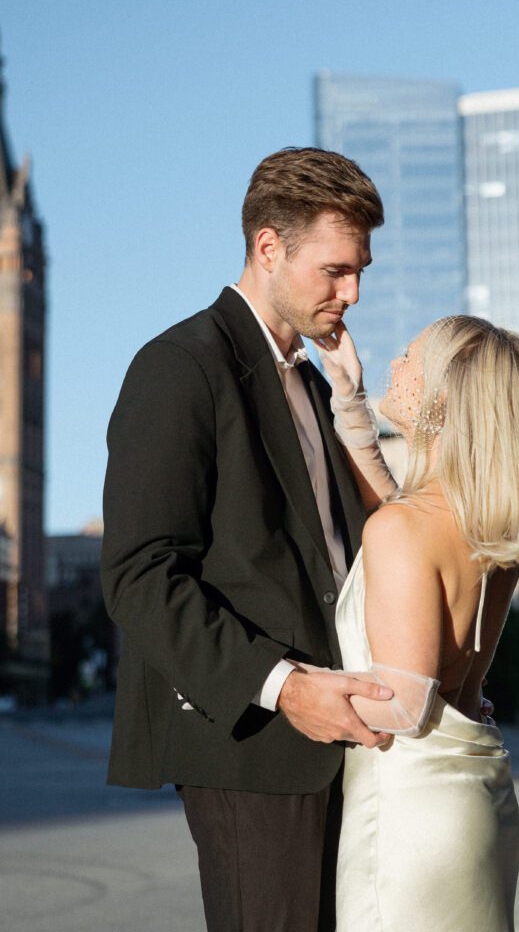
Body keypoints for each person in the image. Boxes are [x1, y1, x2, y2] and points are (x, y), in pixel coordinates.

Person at [100, 147, 399, 932]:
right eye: (335, 270)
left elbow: (348, 556)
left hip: (347, 742)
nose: (353, 293)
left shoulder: (312, 380)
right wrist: (286, 686)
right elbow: (138, 573)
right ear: (269, 248)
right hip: (254, 743)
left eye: (359, 270)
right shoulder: (179, 366)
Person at [312, 315, 519, 932]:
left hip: (411, 826)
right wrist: (349, 399)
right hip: (476, 803)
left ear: (442, 395)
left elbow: (402, 705)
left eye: (408, 357)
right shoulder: (486, 527)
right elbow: (395, 510)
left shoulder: (404, 530)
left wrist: (282, 686)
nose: (394, 366)